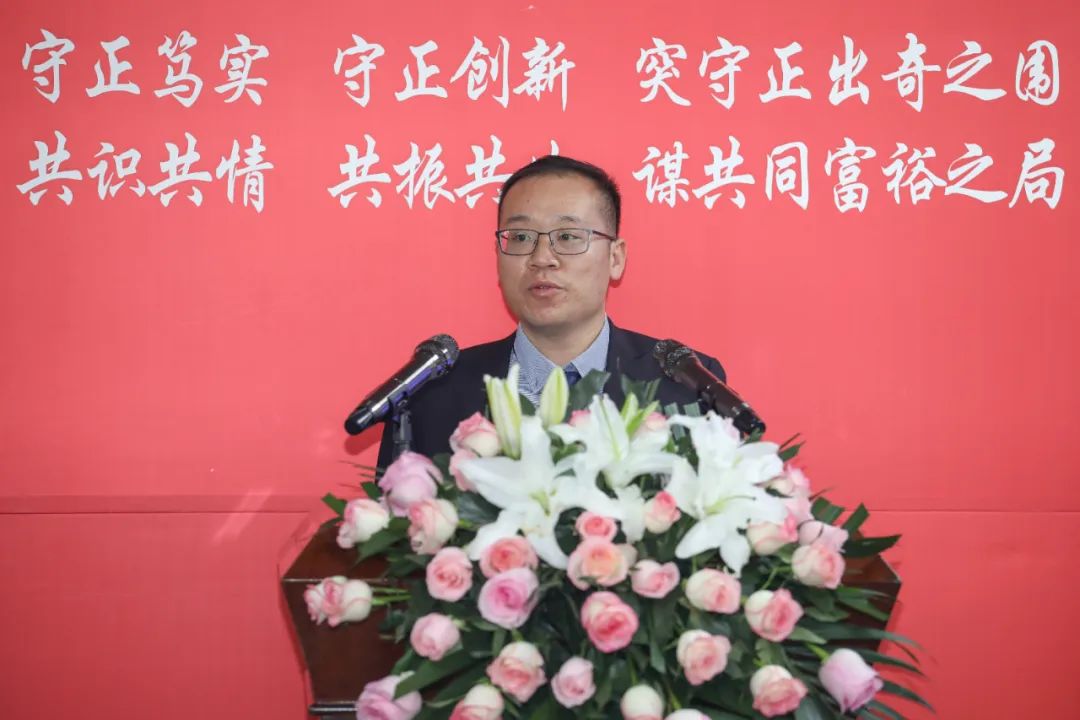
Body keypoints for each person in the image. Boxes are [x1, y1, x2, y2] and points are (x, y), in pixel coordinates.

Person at [375, 155, 726, 468]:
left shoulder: (685, 384)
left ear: (615, 258)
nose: (542, 258)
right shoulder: (432, 395)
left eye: (568, 236)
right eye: (521, 237)